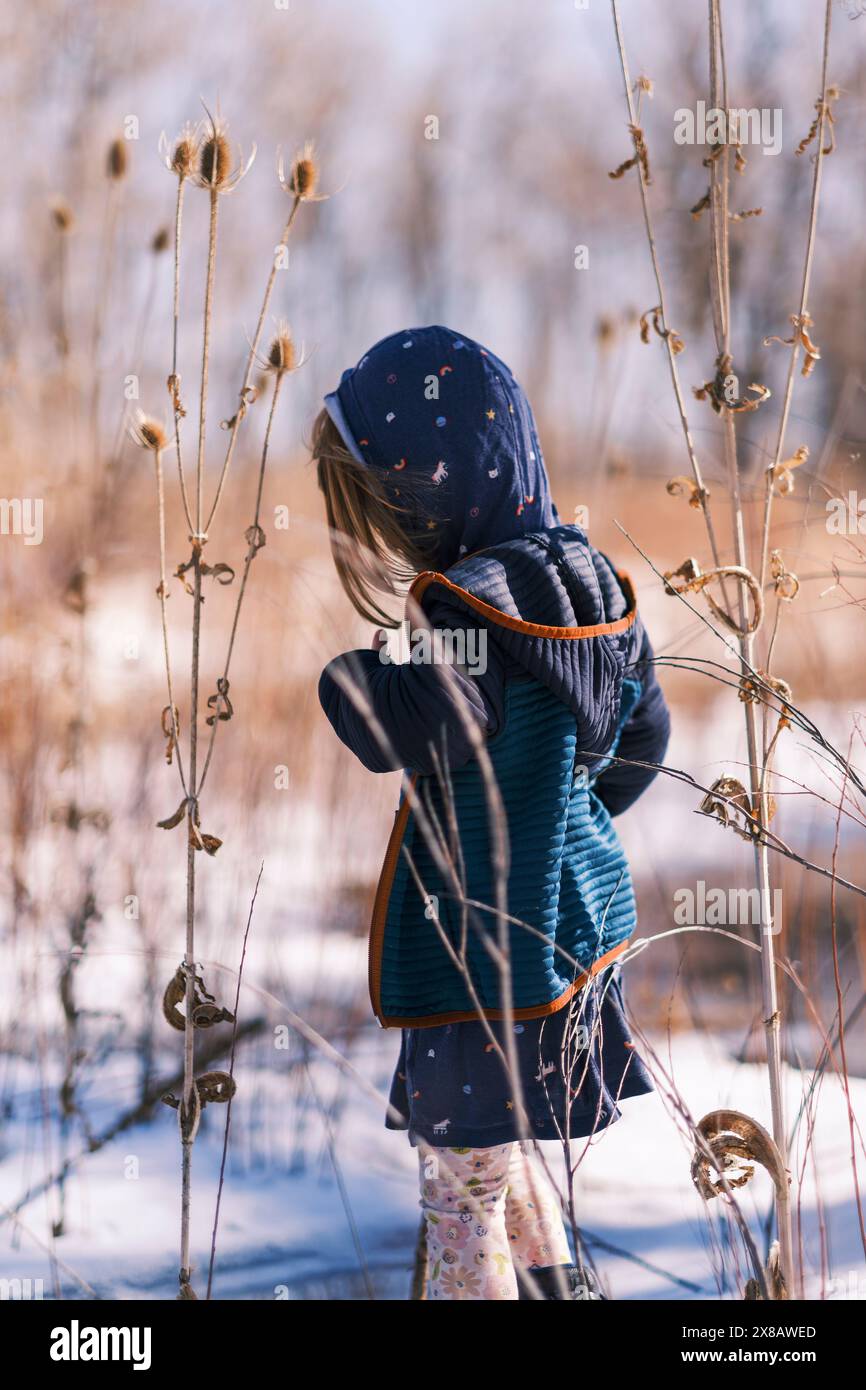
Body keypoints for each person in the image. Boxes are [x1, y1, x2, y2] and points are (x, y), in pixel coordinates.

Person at [315, 325, 670, 1300]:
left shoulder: (462, 607)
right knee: (496, 1166)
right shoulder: (595, 588)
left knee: (459, 1197)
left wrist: (346, 678)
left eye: (387, 509)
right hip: (574, 949)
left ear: (431, 487)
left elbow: (412, 718)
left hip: (482, 959)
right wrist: (566, 821)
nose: (389, 539)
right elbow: (644, 737)